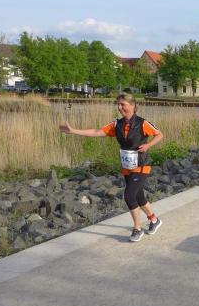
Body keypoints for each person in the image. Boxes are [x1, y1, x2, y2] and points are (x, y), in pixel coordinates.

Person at [59, 93, 165, 242]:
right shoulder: (117, 124)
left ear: (132, 105)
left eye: (123, 104)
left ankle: (137, 228)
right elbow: (97, 132)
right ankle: (154, 220)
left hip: (141, 165)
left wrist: (148, 145)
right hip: (127, 166)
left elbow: (159, 135)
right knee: (139, 196)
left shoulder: (142, 123)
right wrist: (74, 131)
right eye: (118, 104)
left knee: (129, 196)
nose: (119, 107)